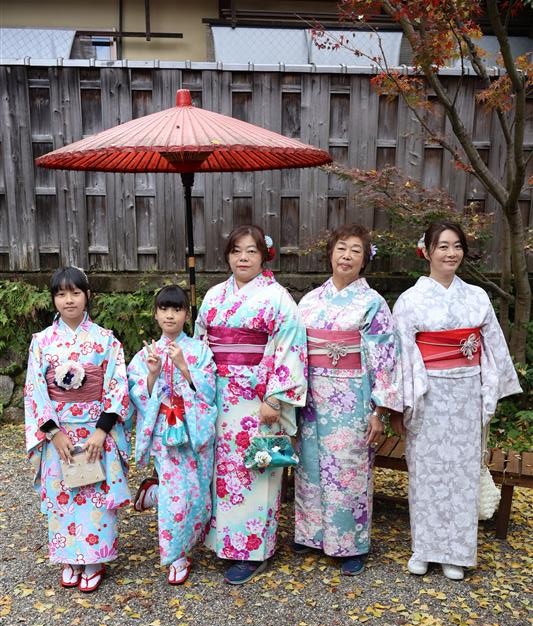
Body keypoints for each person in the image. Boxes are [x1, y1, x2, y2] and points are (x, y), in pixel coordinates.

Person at [391, 221, 521, 580]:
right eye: (443, 246)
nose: (451, 253)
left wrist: (491, 390)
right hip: (427, 394)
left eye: (457, 246)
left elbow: (492, 347)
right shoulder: (410, 300)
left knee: (462, 473)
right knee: (426, 472)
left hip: (467, 393)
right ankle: (424, 549)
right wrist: (398, 405)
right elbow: (400, 356)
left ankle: (456, 553)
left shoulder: (477, 296)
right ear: (427, 251)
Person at [194, 224, 307, 585]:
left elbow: (290, 346)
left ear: (264, 256)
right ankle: (223, 543)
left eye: (251, 251)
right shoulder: (214, 296)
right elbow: (200, 346)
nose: (243, 258)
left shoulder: (277, 297)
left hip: (258, 399)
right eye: (236, 251)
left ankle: (254, 549)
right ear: (228, 256)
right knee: (222, 472)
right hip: (219, 396)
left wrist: (276, 396)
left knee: (257, 468)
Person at [294, 223, 403, 575]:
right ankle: (311, 534)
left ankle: (351, 543)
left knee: (348, 471)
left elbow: (384, 359)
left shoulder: (372, 303)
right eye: (341, 248)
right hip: (312, 397)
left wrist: (379, 410)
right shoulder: (310, 301)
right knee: (310, 466)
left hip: (353, 398)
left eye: (356, 250)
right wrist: (291, 398)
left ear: (364, 260)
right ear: (330, 253)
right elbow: (294, 351)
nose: (347, 256)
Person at [23, 266, 130, 592]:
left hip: (96, 430)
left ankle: (95, 558)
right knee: (63, 493)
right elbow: (35, 390)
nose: (68, 300)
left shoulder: (105, 340)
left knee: (95, 492)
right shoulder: (42, 342)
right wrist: (53, 433)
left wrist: (102, 430)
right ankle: (69, 558)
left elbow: (117, 385)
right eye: (61, 294)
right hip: (60, 434)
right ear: (53, 299)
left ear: (87, 296)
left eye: (75, 292)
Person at [128, 285, 217, 585]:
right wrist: (153, 374)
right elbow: (137, 394)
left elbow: (209, 393)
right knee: (176, 497)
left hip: (193, 430)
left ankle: (153, 493)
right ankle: (176, 555)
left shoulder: (200, 351)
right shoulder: (146, 353)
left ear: (186, 315)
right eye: (164, 309)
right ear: (155, 314)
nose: (170, 315)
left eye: (177, 309)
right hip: (164, 431)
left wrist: (184, 367)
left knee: (198, 494)